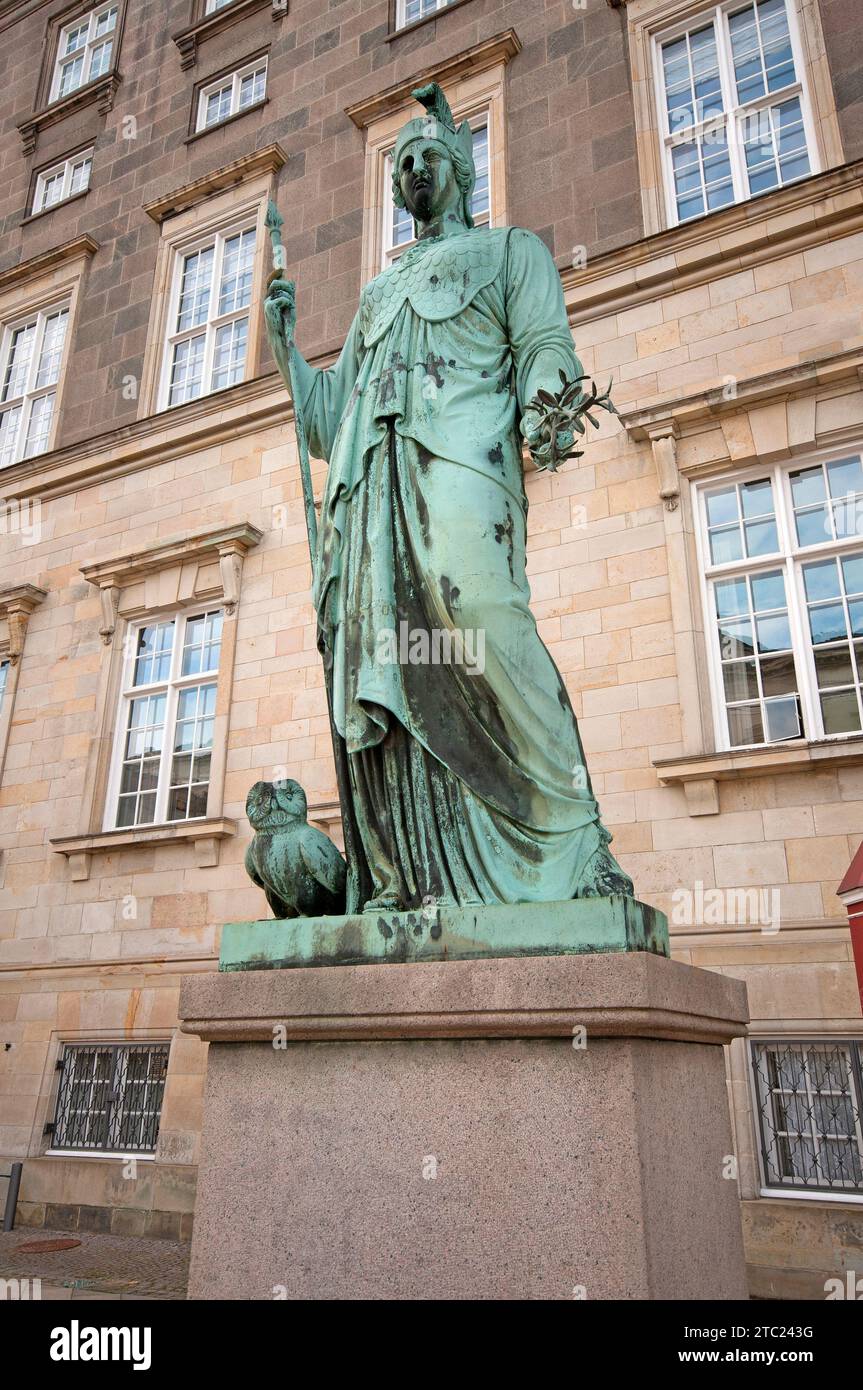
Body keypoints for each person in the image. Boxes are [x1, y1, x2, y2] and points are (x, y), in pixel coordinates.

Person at [264, 83, 632, 914]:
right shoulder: (377, 294)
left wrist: (548, 407)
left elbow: (543, 343)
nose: (413, 171)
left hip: (463, 462)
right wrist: (289, 354)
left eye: (427, 156)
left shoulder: (512, 252)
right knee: (385, 657)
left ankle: (573, 841)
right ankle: (409, 873)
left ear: (462, 170)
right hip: (371, 489)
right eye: (400, 165)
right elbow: (332, 421)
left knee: (487, 624)